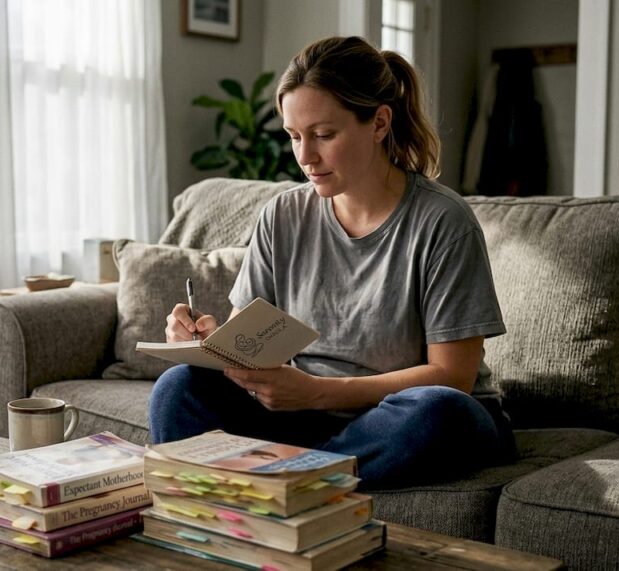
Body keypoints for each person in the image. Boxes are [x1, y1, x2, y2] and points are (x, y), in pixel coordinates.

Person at [148, 36, 514, 489]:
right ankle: (275, 487)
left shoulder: (443, 222)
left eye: (324, 135)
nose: (305, 157)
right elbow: (249, 346)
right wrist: (205, 345)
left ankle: (285, 487)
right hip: (309, 418)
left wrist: (316, 391)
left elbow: (453, 377)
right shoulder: (282, 216)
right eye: (295, 136)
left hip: (402, 417)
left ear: (379, 123)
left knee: (437, 411)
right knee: (178, 388)